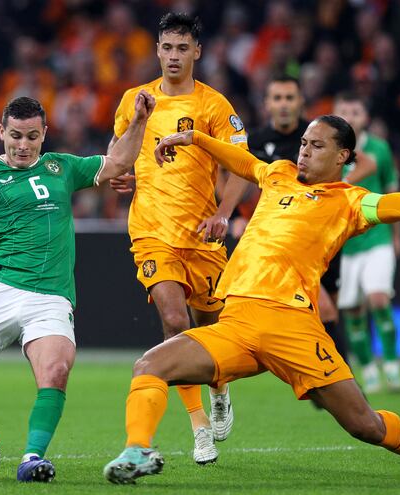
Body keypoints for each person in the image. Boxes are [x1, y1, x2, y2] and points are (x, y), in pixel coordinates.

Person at [103, 115, 400, 484]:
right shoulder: (278, 174)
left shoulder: (351, 201)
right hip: (238, 324)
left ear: (342, 156)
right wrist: (194, 137)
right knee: (150, 365)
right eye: (303, 143)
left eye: (316, 146)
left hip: (293, 327)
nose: (304, 152)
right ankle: (138, 449)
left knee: (363, 425)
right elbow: (242, 162)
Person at [0, 91, 156, 482]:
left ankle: (31, 458)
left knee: (55, 370)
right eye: (15, 136)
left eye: (32, 137)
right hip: (0, 292)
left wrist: (138, 120)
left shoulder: (61, 167)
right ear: (1, 131)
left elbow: (120, 160)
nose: (23, 145)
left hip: (51, 299)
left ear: (44, 134)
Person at [108, 12, 249, 464]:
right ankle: (198, 427)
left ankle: (219, 389)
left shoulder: (214, 106)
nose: (173, 56)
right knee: (174, 322)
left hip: (201, 235)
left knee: (208, 330)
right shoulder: (135, 99)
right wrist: (120, 176)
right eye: (166, 47)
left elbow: (241, 166)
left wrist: (224, 215)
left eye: (182, 48)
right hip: (151, 231)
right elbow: (118, 155)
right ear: (157, 51)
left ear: (197, 52)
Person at [244, 75, 375, 368]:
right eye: (277, 98)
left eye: (290, 98)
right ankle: (342, 384)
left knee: (328, 313)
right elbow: (239, 177)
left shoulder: (316, 133)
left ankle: (327, 381)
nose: (284, 105)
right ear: (266, 104)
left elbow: (366, 162)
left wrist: (331, 191)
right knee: (323, 311)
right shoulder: (257, 141)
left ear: (301, 101)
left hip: (324, 236)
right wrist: (234, 215)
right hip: (290, 239)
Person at [333, 92, 400, 393]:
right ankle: (368, 368)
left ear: (366, 118)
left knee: (377, 298)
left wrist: (396, 237)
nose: (351, 115)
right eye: (345, 109)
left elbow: (391, 193)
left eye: (356, 110)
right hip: (345, 243)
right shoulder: (330, 150)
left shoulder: (379, 149)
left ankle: (391, 364)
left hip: (377, 236)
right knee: (351, 309)